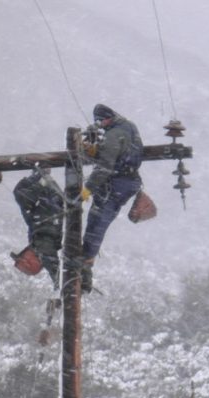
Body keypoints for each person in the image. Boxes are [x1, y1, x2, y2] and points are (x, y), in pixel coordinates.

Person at [80, 104, 143, 292]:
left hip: (117, 183)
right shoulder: (129, 126)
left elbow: (105, 167)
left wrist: (88, 189)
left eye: (100, 121)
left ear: (107, 118)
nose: (99, 125)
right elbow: (121, 153)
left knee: (96, 223)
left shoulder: (113, 135)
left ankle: (84, 268)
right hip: (129, 182)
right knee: (100, 222)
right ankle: (85, 265)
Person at [13, 167, 64, 289]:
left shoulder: (38, 244)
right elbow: (55, 271)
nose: (24, 254)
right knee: (20, 195)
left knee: (20, 194)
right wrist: (59, 287)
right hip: (48, 207)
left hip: (44, 211)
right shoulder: (44, 248)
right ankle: (41, 176)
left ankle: (39, 174)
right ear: (30, 260)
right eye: (24, 257)